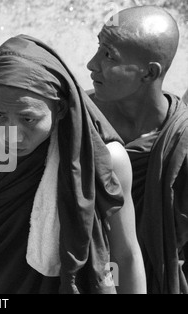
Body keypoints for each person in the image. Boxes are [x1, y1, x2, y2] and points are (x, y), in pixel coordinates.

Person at [0, 34, 146, 294]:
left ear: (59, 110)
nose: (10, 134)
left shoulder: (104, 160)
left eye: (28, 119)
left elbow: (126, 255)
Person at [87, 5, 188, 294]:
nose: (91, 64)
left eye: (109, 56)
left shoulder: (180, 143)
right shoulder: (78, 120)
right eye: (99, 47)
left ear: (149, 73)